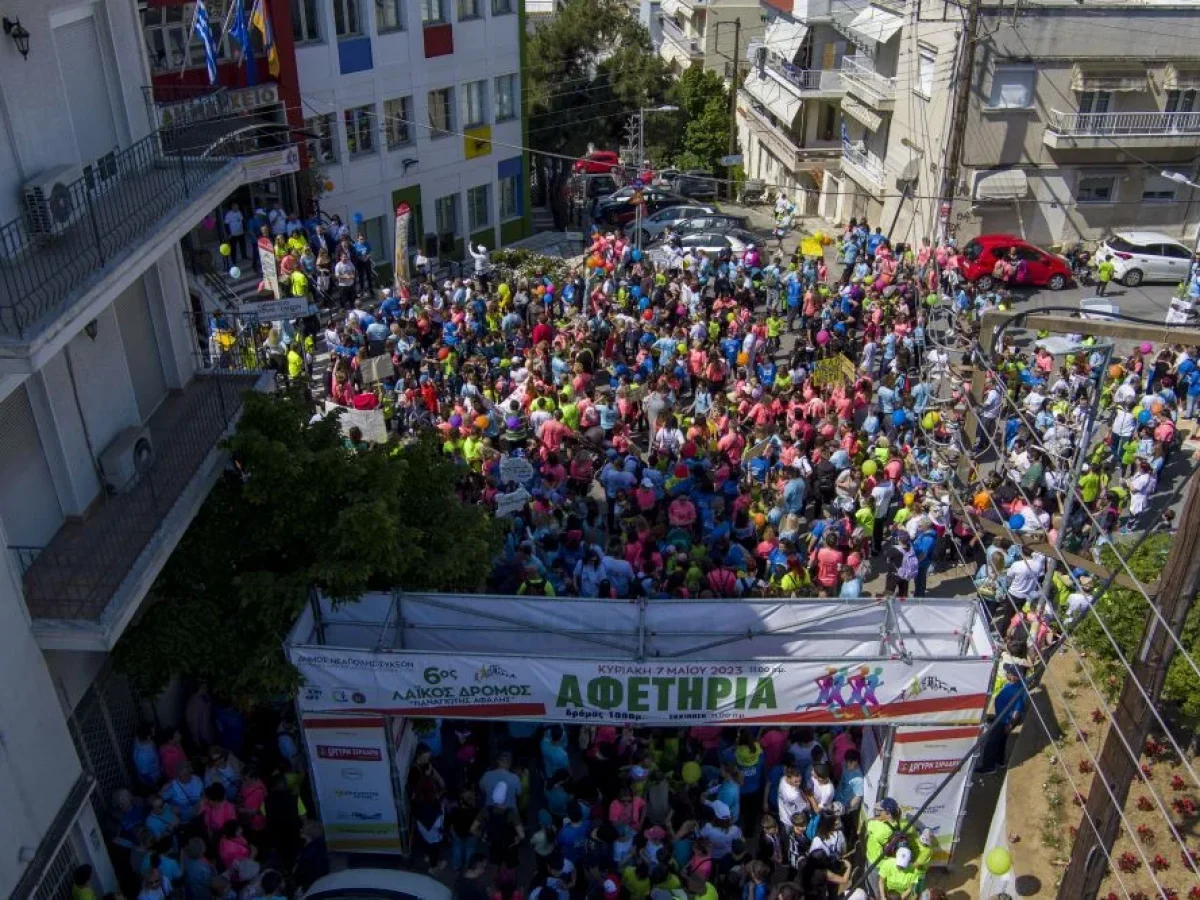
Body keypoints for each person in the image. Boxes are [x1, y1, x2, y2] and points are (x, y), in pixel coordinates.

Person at [977, 664, 1028, 774]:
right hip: (1001, 716)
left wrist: (1010, 725)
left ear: (1015, 677)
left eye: (1008, 673)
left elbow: (1017, 711)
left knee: (991, 743)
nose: (1006, 673)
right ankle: (1000, 761)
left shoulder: (1017, 691)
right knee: (1001, 741)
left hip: (1004, 721)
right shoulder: (1017, 683)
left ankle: (988, 767)